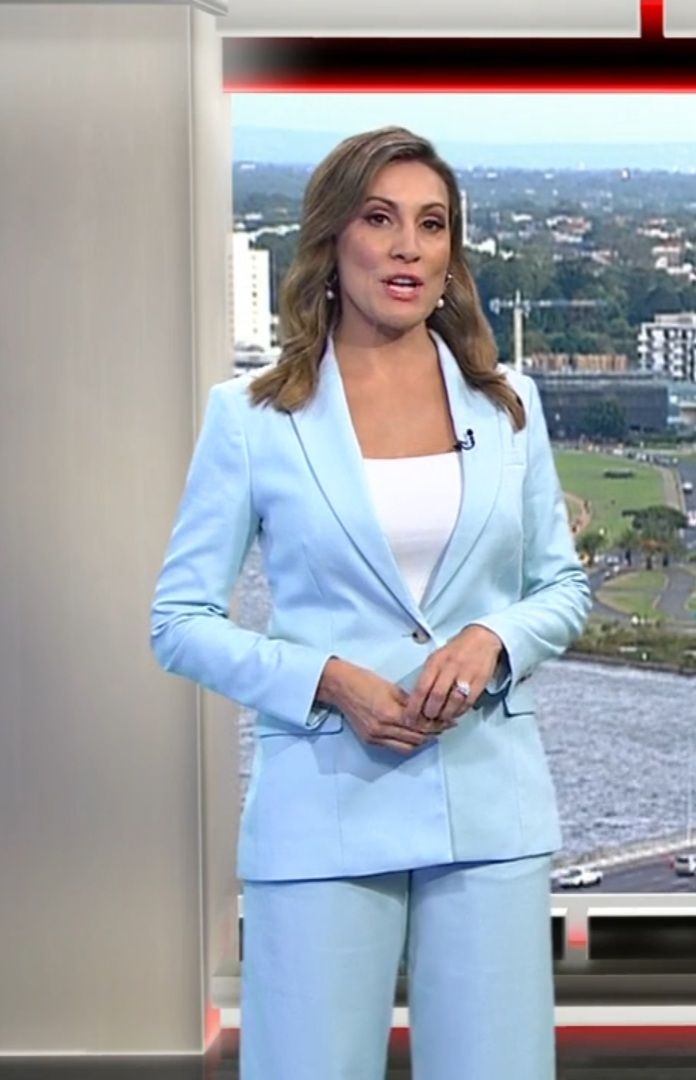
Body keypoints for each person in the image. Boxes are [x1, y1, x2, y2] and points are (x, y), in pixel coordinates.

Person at [150, 126, 592, 1080]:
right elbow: (178, 622)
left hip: (487, 807)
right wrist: (327, 680)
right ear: (332, 239)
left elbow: (562, 587)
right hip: (324, 807)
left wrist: (492, 639)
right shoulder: (254, 418)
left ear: (451, 251)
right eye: (380, 219)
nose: (407, 248)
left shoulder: (507, 405)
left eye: (431, 225)